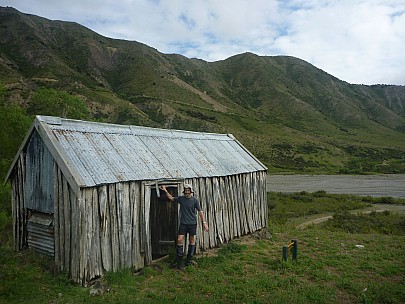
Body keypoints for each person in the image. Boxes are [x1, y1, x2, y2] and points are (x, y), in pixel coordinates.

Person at [160, 184, 209, 268]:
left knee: (191, 240)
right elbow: (171, 198)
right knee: (179, 240)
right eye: (185, 191)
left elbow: (200, 212)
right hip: (183, 223)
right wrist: (165, 190)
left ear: (191, 191)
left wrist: (204, 223)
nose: (186, 192)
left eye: (188, 191)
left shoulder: (195, 201)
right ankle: (179, 259)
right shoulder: (181, 199)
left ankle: (189, 260)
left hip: (192, 224)